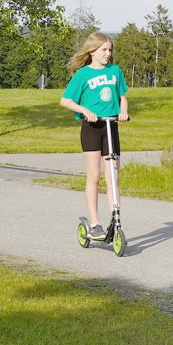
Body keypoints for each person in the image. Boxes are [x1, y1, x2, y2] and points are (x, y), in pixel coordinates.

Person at [59, 31, 130, 234]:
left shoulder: (115, 71)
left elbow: (122, 97)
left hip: (110, 126)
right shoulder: (83, 74)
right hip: (91, 128)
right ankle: (95, 223)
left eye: (110, 50)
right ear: (92, 51)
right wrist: (85, 111)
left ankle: (116, 222)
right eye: (104, 50)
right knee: (94, 175)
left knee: (113, 177)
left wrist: (123, 112)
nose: (108, 53)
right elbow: (65, 101)